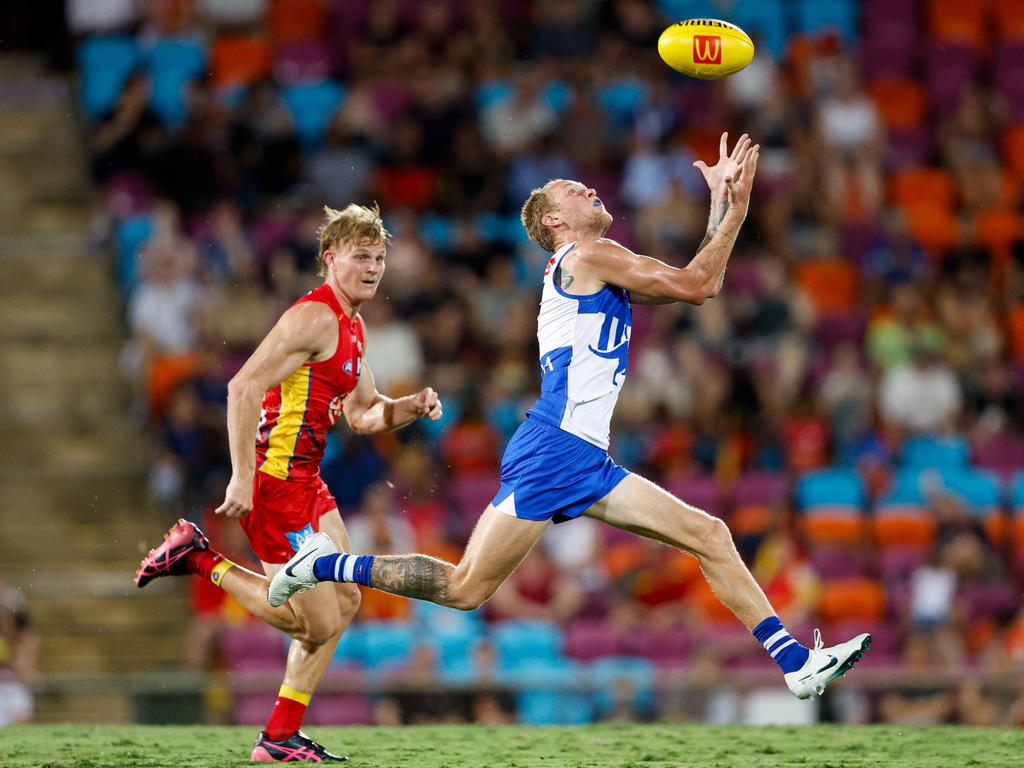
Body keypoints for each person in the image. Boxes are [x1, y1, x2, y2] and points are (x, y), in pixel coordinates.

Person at [271, 134, 870, 701]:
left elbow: (694, 283)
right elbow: (700, 283)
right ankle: (322, 563)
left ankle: (795, 665)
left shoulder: (593, 266)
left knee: (704, 535)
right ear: (555, 221)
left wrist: (716, 206)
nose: (590, 190)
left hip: (574, 450)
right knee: (466, 588)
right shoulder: (587, 253)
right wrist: (734, 207)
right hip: (560, 446)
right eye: (574, 191)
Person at [135, 203, 441, 762]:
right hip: (274, 484)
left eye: (379, 258)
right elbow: (241, 387)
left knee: (345, 602)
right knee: (317, 619)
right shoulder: (314, 318)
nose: (372, 268)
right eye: (360, 257)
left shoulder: (353, 325)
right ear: (330, 258)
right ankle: (199, 559)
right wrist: (243, 479)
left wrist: (411, 408)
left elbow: (363, 414)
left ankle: (278, 738)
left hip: (307, 481)